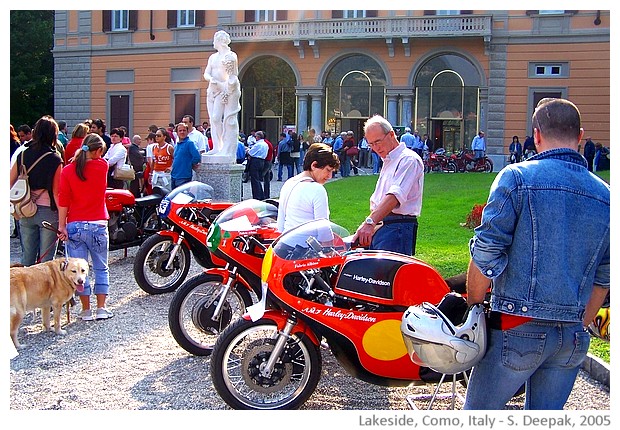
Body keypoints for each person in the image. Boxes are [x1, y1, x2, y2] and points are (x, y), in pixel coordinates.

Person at [464, 98, 610, 410]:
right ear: (580, 135)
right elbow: (604, 276)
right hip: (571, 334)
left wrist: (474, 307)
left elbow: (487, 252)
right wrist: (579, 321)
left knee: (477, 417)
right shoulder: (607, 196)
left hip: (518, 323)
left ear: (537, 134)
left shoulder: (517, 178)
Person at [56, 133, 113, 321]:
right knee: (100, 267)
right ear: (98, 151)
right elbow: (98, 162)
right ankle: (102, 308)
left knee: (79, 270)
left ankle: (86, 309)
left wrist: (61, 225)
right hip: (97, 222)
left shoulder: (68, 170)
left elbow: (63, 199)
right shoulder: (102, 166)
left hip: (75, 223)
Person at [352, 115, 424, 255]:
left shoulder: (408, 159)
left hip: (397, 227)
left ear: (391, 134)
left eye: (378, 141)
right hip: (384, 225)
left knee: (387, 275)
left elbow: (394, 197)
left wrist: (369, 223)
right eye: (371, 144)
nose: (375, 148)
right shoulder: (388, 160)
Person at [9, 116, 64, 266]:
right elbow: (56, 192)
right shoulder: (55, 159)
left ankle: (25, 288)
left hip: (25, 208)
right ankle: (44, 289)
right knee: (46, 262)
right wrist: (63, 221)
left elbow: (9, 181)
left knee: (27, 257)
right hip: (48, 211)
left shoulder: (23, 154)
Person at [277, 143, 340, 233]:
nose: (330, 176)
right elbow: (324, 230)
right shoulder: (317, 189)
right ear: (314, 165)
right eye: (328, 170)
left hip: (286, 243)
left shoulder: (289, 183)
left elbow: (280, 224)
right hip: (306, 245)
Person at [203, 30, 241, 161]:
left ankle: (225, 148)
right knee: (213, 120)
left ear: (220, 41)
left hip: (223, 91)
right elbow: (206, 73)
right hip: (212, 90)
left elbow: (233, 75)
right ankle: (216, 148)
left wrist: (227, 86)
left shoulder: (231, 56)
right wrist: (210, 79)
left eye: (215, 39)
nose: (213, 42)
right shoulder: (213, 57)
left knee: (217, 118)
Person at [170, 122, 201, 189]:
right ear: (177, 133)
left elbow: (197, 157)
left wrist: (189, 164)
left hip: (183, 176)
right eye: (180, 130)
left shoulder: (190, 143)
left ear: (187, 132)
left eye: (184, 130)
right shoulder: (177, 145)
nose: (182, 132)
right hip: (174, 176)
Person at [247, 130, 268, 200]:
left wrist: (247, 150)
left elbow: (251, 152)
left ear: (258, 137)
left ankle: (257, 196)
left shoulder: (258, 144)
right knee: (258, 179)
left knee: (254, 179)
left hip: (256, 161)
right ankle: (261, 194)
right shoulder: (265, 144)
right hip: (262, 161)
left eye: (256, 136)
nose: (255, 138)